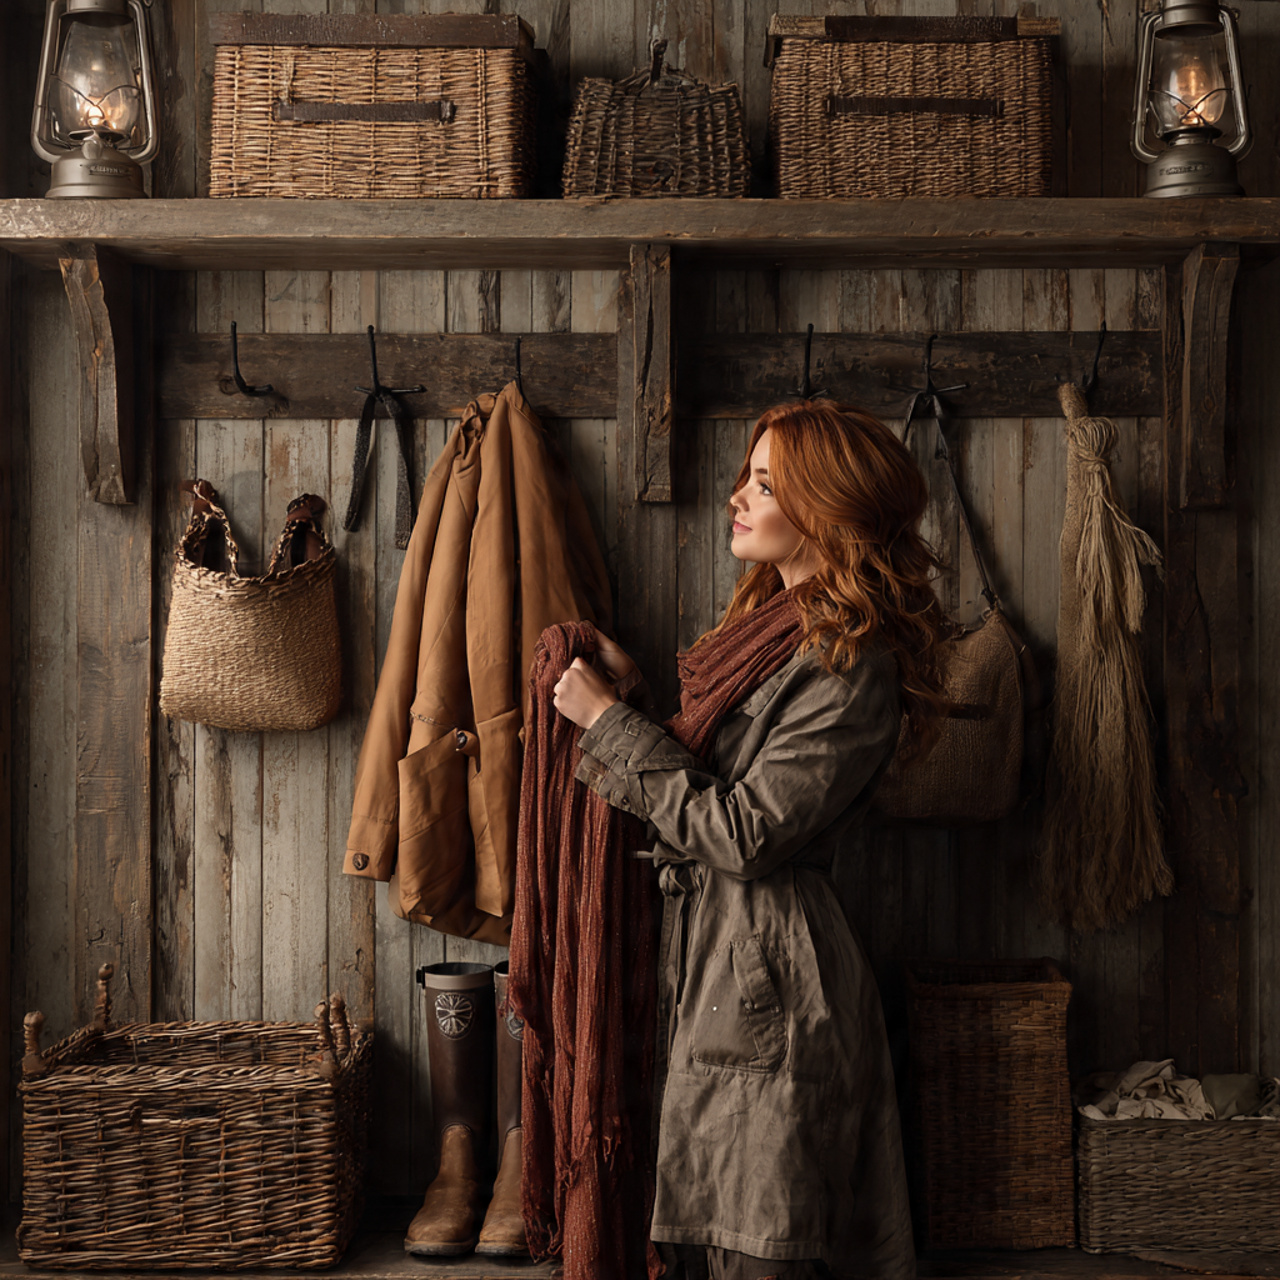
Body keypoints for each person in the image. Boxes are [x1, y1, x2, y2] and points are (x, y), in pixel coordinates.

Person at [551, 401, 950, 1280]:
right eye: (749, 476)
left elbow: (743, 832)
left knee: (759, 1237)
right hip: (724, 954)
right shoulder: (773, 636)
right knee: (714, 1223)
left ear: (826, 509)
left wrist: (610, 724)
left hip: (774, 971)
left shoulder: (850, 662)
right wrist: (635, 700)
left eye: (765, 485)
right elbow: (714, 775)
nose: (736, 497)